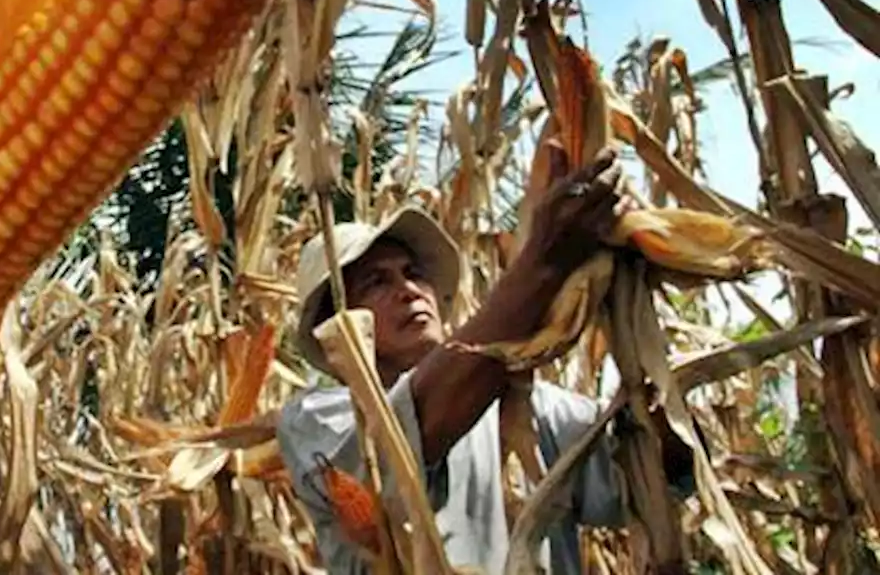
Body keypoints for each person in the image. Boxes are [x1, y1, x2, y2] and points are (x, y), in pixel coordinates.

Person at [276, 147, 694, 574]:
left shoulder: (535, 407)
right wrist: (546, 261)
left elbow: (653, 474)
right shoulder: (318, 422)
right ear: (335, 324)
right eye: (376, 282)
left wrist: (644, 346)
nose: (409, 290)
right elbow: (407, 438)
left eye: (413, 272)